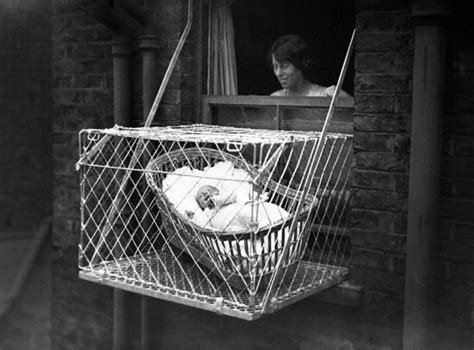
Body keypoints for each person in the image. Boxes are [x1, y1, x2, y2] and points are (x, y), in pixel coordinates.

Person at [268, 34, 351, 98]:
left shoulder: (323, 96)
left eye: (284, 66)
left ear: (299, 64)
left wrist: (345, 99)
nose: (278, 73)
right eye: (275, 67)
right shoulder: (275, 98)